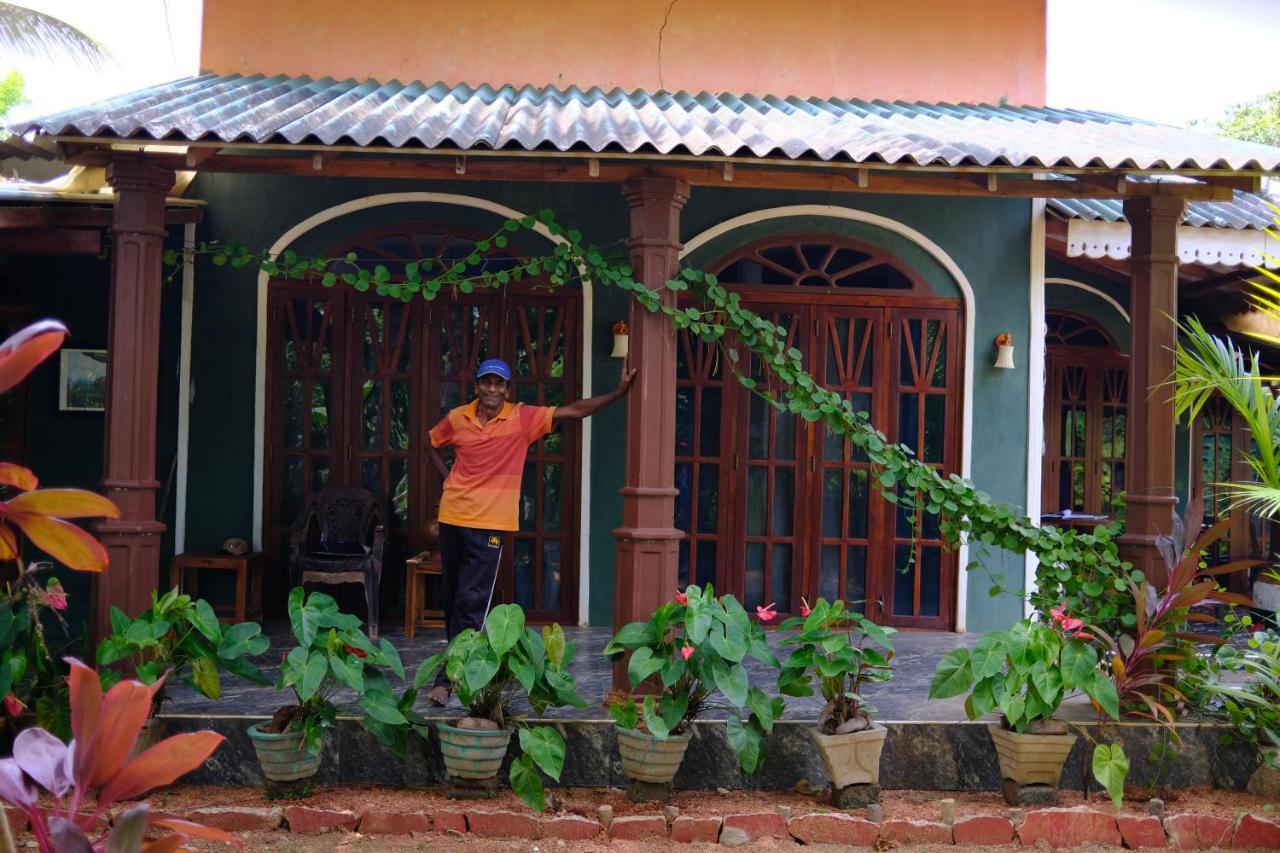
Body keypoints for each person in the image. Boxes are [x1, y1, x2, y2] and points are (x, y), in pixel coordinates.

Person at [424, 356, 636, 706]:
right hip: (453, 518)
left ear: (507, 390)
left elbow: (574, 411)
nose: (492, 389)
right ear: (477, 386)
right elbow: (431, 443)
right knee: (452, 600)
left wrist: (617, 392)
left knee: (472, 602)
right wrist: (447, 478)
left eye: (499, 384)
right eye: (486, 382)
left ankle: (449, 679)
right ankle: (458, 668)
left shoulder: (523, 419)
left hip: (490, 525)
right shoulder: (458, 418)